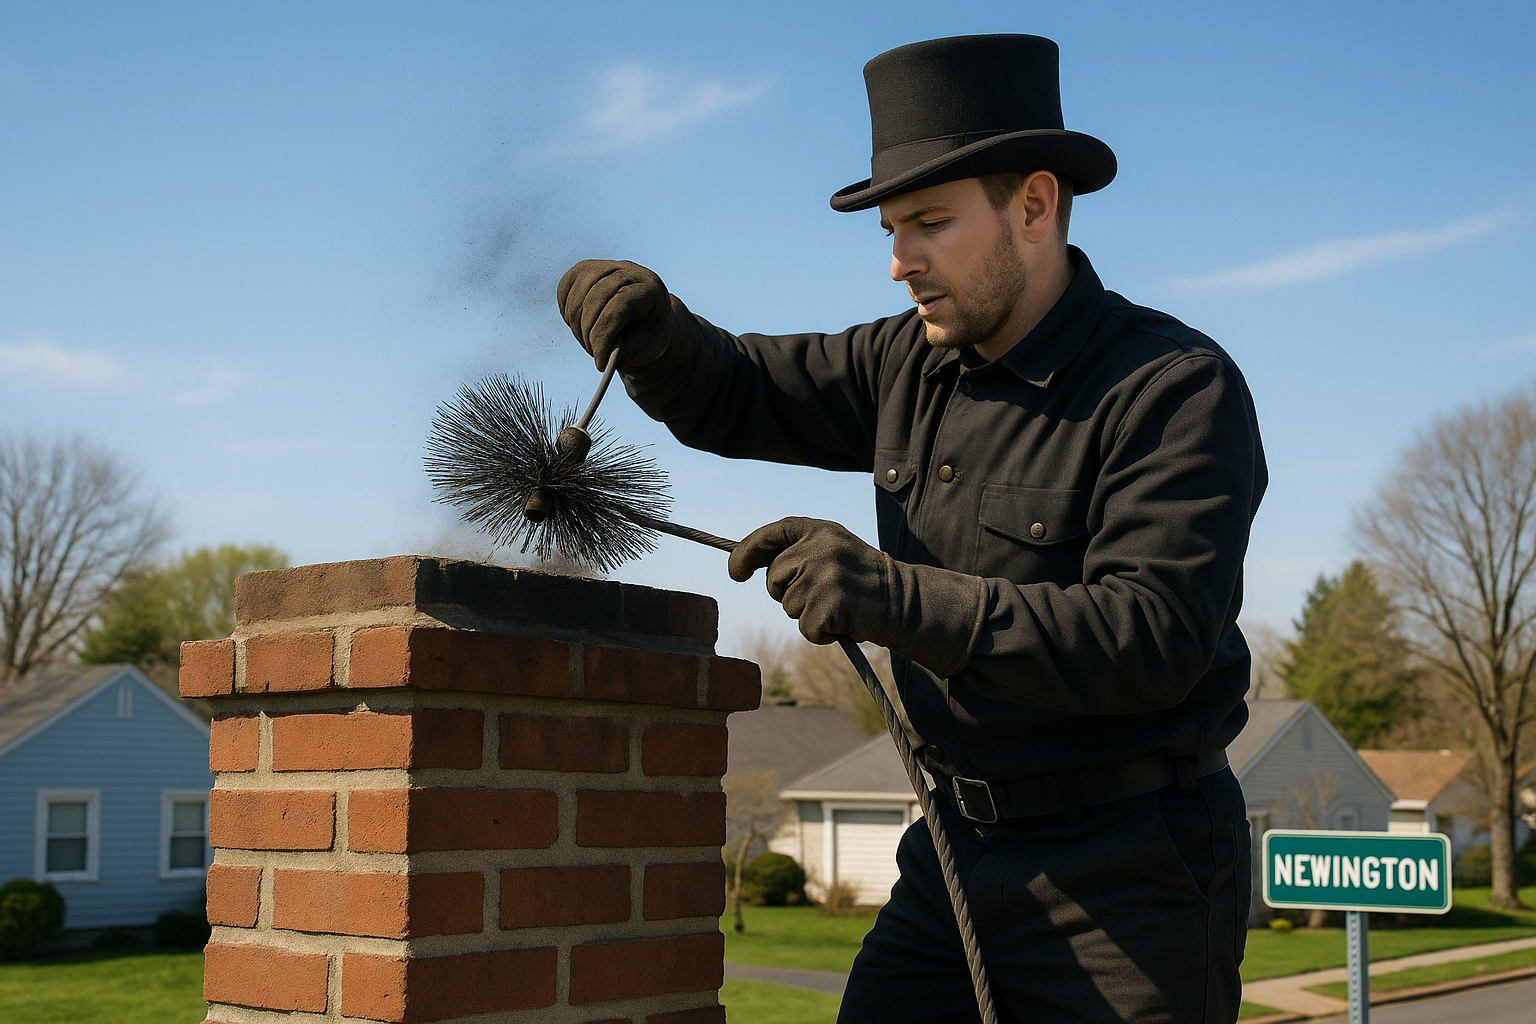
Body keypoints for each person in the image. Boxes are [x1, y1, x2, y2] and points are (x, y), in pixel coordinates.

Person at [557, 34, 1265, 1024]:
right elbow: (741, 391)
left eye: (929, 223)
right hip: (951, 854)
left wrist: (895, 598)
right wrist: (655, 330)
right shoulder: (908, 362)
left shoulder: (1174, 389)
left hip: (1134, 874)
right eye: (891, 229)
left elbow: (1150, 639)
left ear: (1035, 205)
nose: (899, 264)